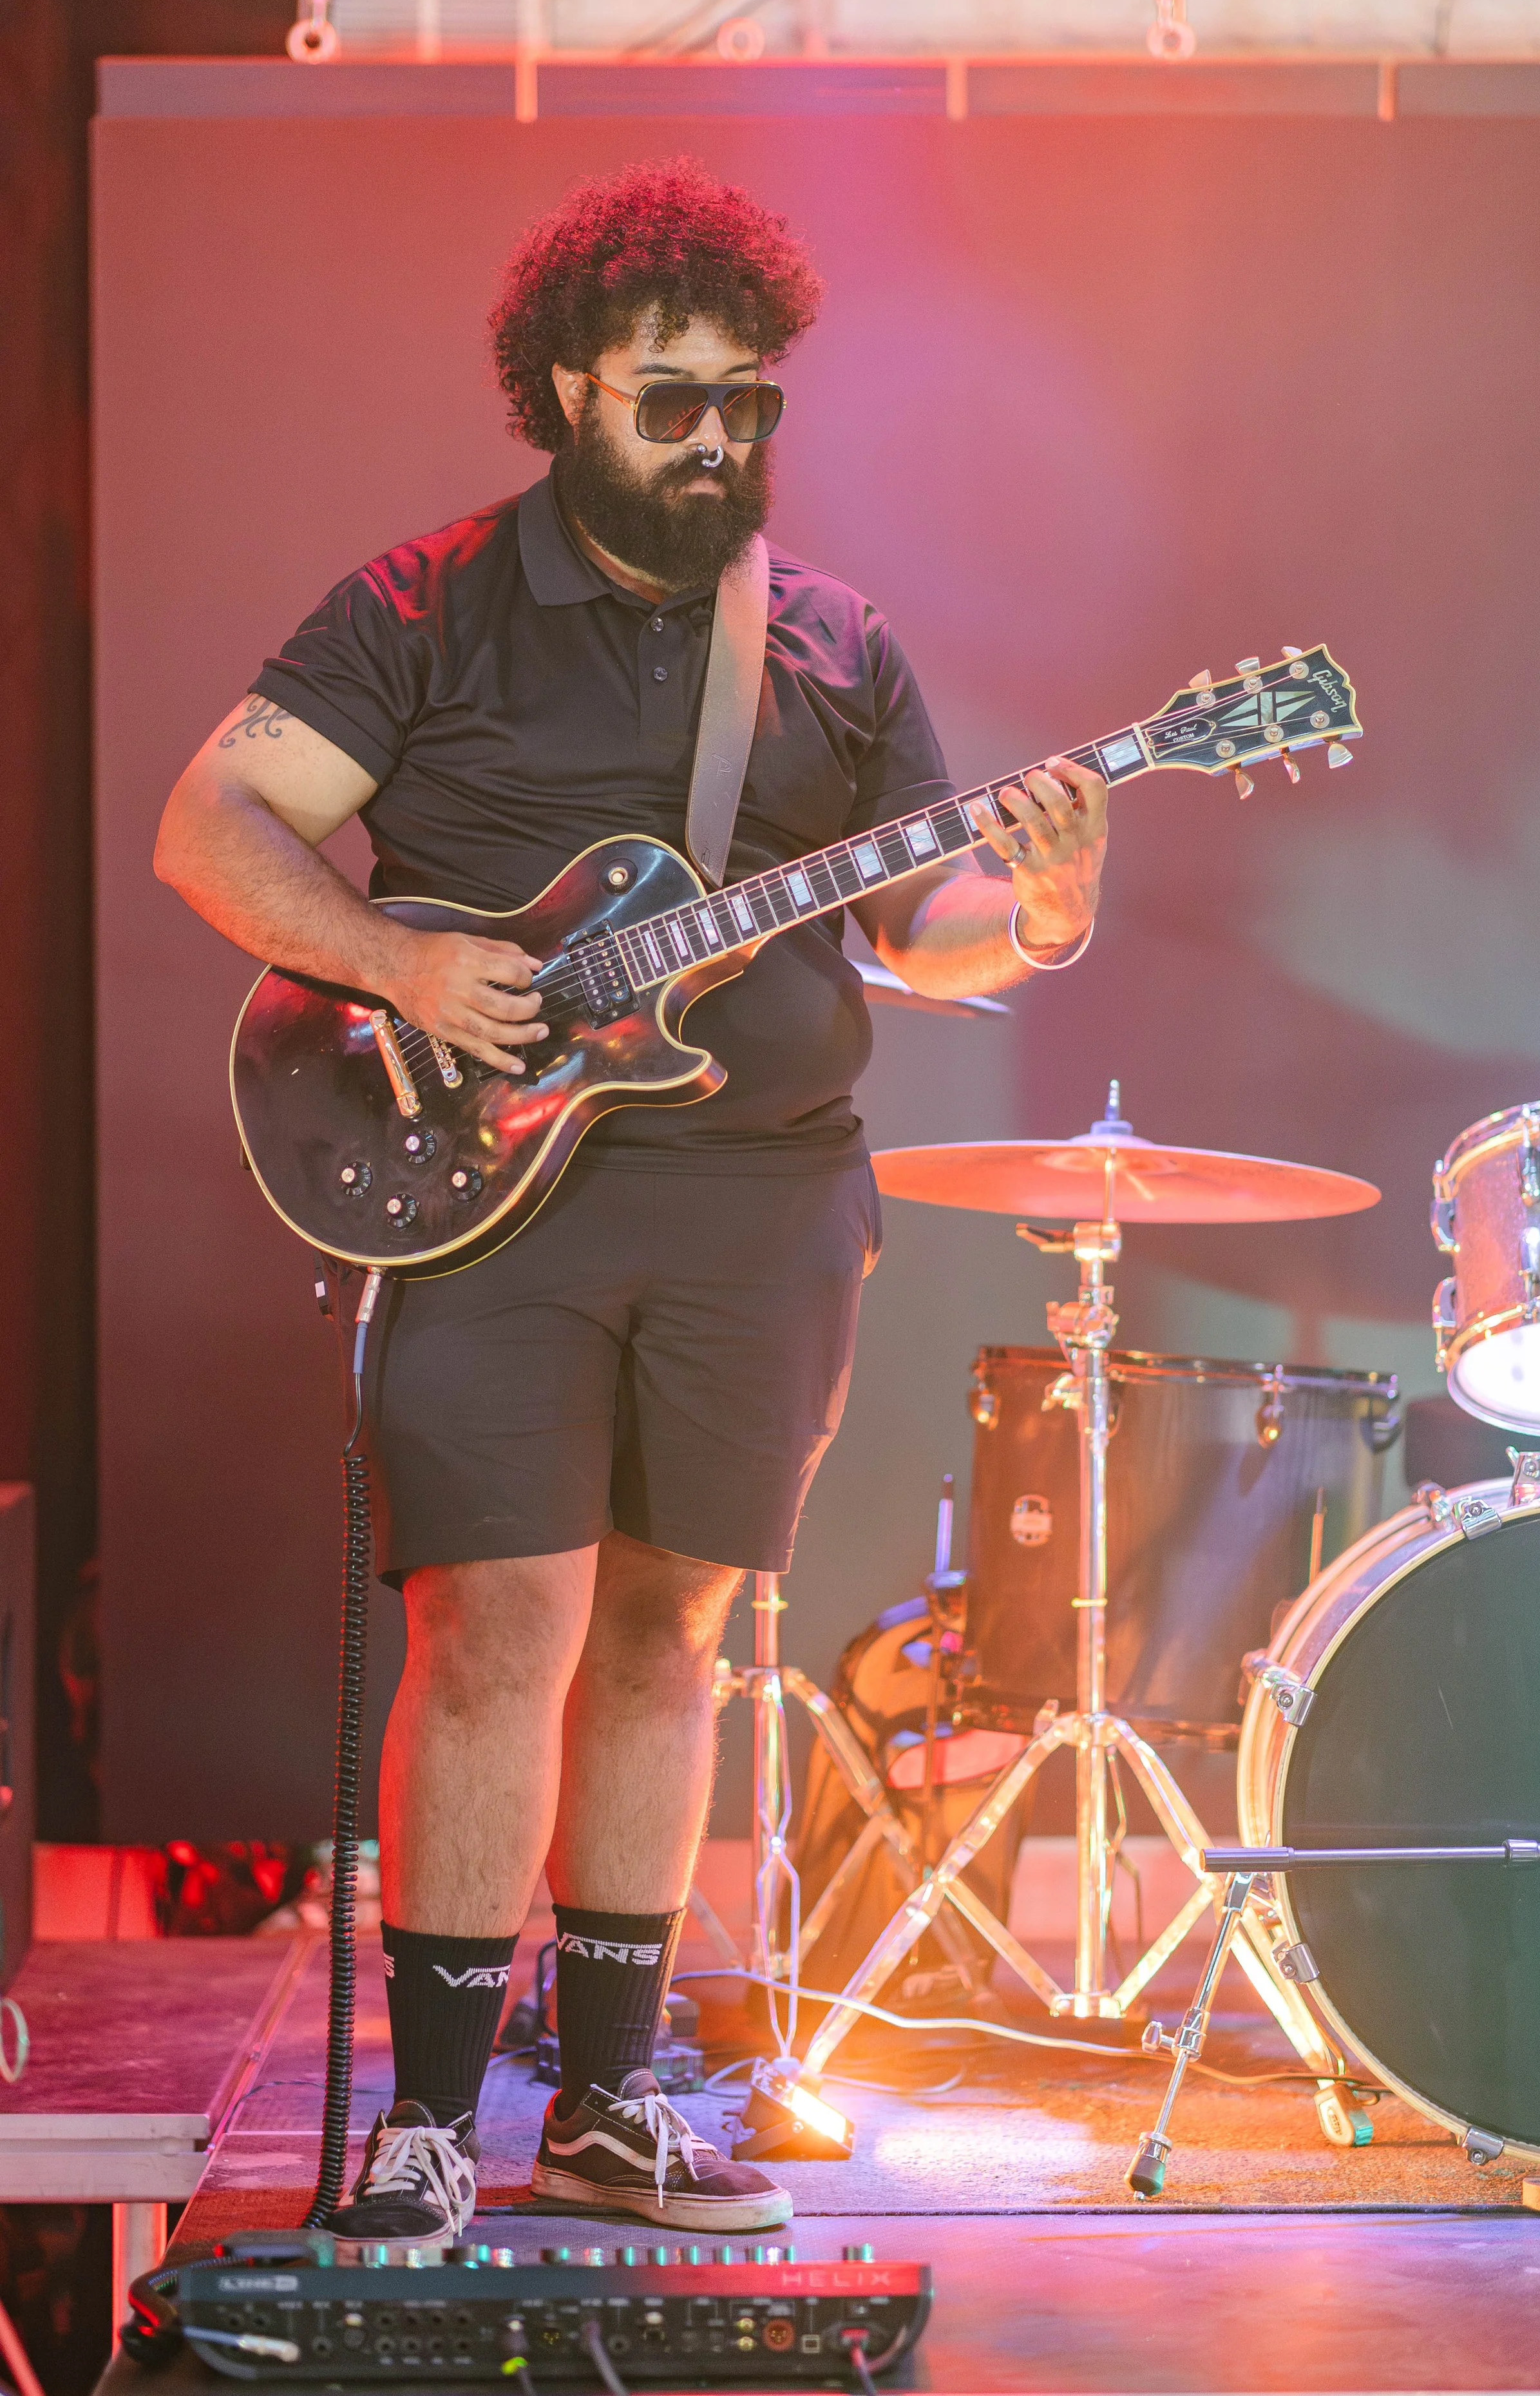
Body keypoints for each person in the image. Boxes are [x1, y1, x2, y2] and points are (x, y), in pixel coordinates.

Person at [154, 157, 1107, 2243]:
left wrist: (1036, 912)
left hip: (759, 1201)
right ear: (565, 388)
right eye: (671, 401)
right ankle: (429, 2120)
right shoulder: (424, 605)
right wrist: (400, 965)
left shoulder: (831, 639)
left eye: (747, 403)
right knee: (497, 1624)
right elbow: (213, 826)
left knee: (672, 1635)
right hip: (492, 1198)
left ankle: (603, 2101)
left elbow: (916, 930)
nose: (715, 442)